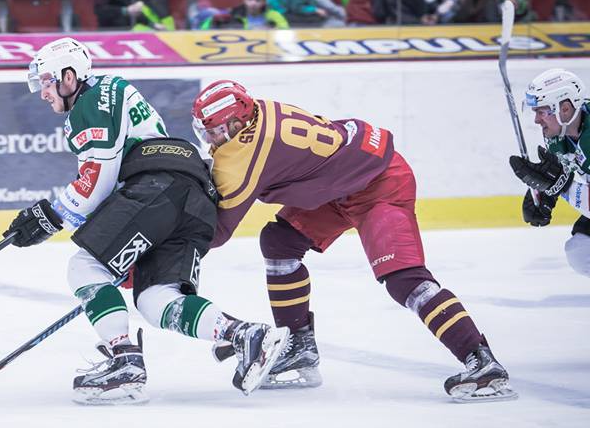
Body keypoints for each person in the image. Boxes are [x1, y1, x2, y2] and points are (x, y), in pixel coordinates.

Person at [2, 38, 289, 404]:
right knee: (156, 300)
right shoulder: (110, 90)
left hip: (158, 189)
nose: (42, 92)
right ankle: (245, 335)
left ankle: (125, 361)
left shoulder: (90, 103)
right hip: (194, 201)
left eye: (46, 81)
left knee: (86, 267)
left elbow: (97, 183)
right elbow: (105, 182)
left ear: (69, 77)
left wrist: (50, 217)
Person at [191, 79, 517, 402]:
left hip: (380, 183)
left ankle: (481, 360)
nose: (209, 140)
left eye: (214, 131)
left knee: (404, 280)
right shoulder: (259, 112)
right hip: (343, 179)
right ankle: (300, 349)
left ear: (237, 124)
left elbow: (217, 232)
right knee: (280, 242)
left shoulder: (243, 155)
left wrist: (170, 243)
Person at [509, 69, 590, 277]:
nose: (537, 120)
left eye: (542, 112)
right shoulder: (559, 134)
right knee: (581, 251)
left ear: (565, 109)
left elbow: (563, 183)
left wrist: (561, 187)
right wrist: (545, 194)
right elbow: (564, 171)